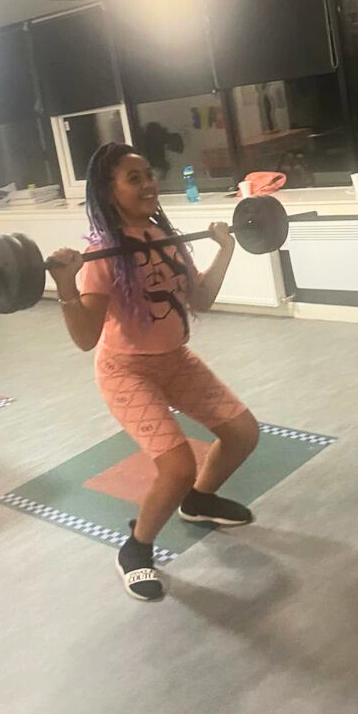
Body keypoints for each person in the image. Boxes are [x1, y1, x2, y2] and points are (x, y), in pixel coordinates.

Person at [50, 143, 260, 601]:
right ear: (109, 191)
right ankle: (136, 548)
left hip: (174, 360)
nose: (148, 185)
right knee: (177, 465)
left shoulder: (165, 237)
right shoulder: (102, 254)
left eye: (148, 175)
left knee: (243, 432)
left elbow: (200, 300)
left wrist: (226, 249)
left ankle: (199, 500)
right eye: (134, 178)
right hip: (126, 370)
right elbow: (86, 338)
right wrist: (66, 283)